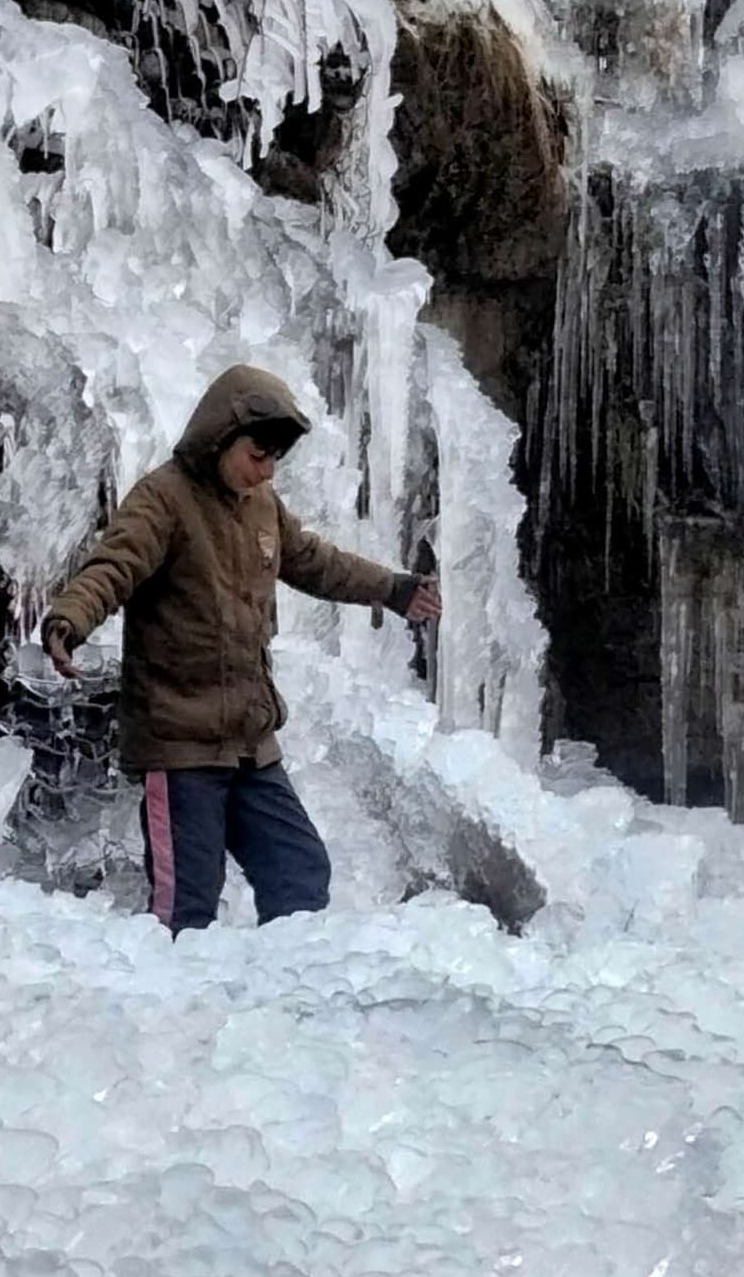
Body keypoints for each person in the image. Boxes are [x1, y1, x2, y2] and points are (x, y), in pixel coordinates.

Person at [42, 364, 444, 933]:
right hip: (180, 748)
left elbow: (315, 562)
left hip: (252, 745)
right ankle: (173, 1017)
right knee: (185, 912)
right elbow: (114, 565)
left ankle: (278, 1013)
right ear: (221, 438)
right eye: (259, 455)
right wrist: (69, 620)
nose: (267, 471)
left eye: (276, 459)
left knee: (301, 875)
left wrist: (395, 589)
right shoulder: (163, 498)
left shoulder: (262, 506)